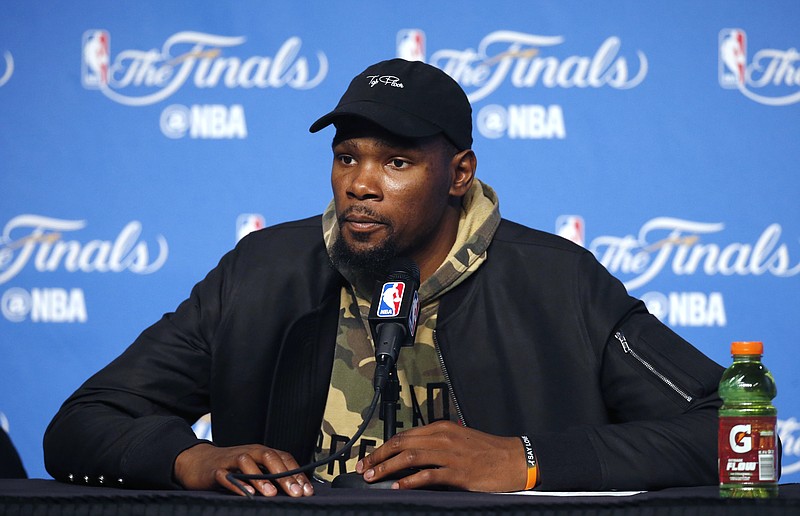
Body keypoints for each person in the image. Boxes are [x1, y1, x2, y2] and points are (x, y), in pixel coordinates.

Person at [43, 58, 724, 497]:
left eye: (396, 163)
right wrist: (192, 461)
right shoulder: (262, 272)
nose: (360, 185)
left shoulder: (557, 280)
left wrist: (525, 460)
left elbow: (730, 434)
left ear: (459, 174)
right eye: (347, 158)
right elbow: (83, 422)